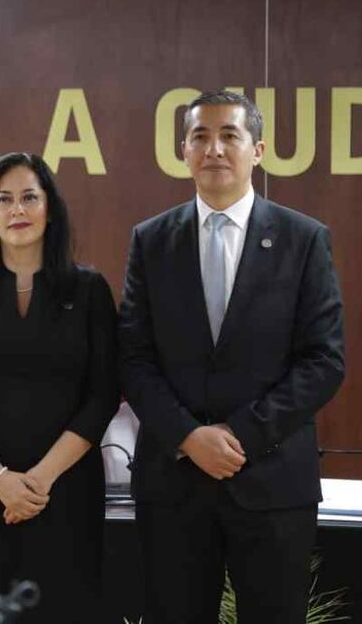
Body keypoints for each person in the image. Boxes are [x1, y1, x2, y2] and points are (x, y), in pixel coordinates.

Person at [119, 90, 345, 623]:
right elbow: (133, 357)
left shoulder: (303, 239)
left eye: (229, 136)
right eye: (200, 136)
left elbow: (323, 360)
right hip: (175, 484)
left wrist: (240, 435)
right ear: (184, 151)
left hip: (271, 483)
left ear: (258, 149)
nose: (214, 148)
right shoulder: (151, 242)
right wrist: (188, 437)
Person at [0, 152, 119, 623]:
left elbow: (103, 395)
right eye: (4, 199)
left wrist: (39, 481)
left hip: (66, 490)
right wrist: (2, 482)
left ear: (49, 209)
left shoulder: (88, 290)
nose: (18, 210)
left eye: (29, 198)